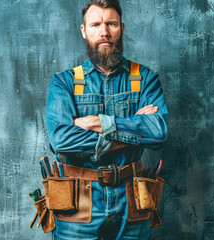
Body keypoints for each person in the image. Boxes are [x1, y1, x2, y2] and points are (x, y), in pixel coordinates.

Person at [45, 0, 168, 239]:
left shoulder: (146, 79)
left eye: (111, 24)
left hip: (132, 200)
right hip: (78, 203)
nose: (104, 32)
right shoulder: (63, 82)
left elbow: (158, 131)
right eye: (95, 24)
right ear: (84, 31)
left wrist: (93, 123)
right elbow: (61, 139)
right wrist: (134, 130)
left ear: (121, 27)